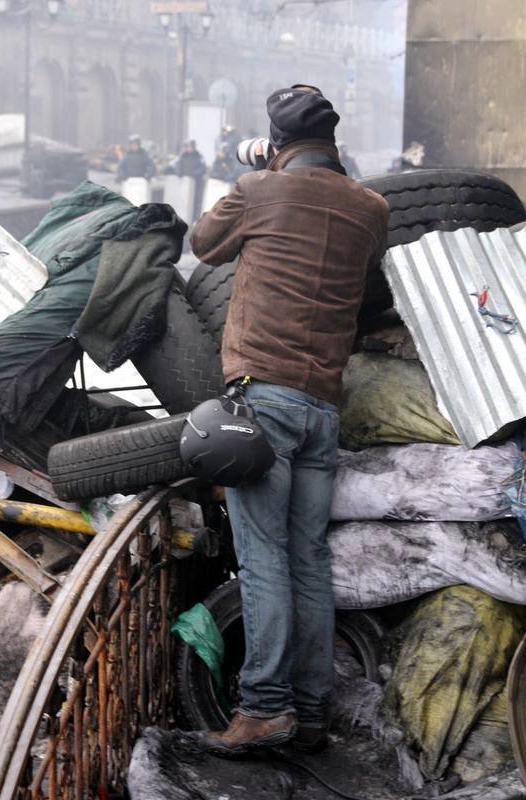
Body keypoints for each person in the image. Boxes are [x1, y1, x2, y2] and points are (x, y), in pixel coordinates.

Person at [190, 85, 389, 756]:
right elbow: (368, 291)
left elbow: (203, 244)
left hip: (264, 403)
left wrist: (253, 173)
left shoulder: (259, 189)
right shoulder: (370, 207)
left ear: (276, 143)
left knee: (264, 561)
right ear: (332, 142)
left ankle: (264, 706)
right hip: (321, 409)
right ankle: (307, 712)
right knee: (307, 560)